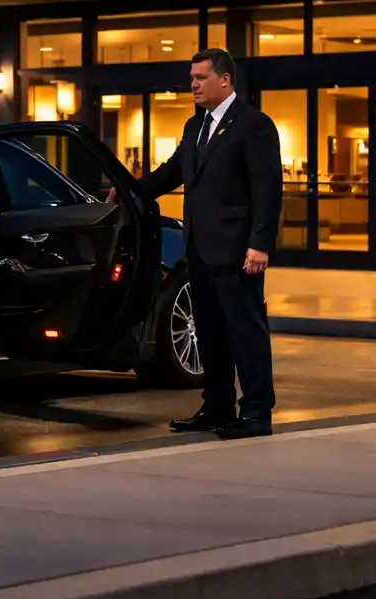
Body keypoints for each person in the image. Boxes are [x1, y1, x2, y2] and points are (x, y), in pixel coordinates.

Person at [115, 48, 283, 439]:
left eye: (201, 77)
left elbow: (267, 189)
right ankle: (217, 406)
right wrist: (129, 190)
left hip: (237, 251)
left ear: (225, 80)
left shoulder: (253, 125)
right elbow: (172, 172)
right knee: (209, 332)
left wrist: (259, 244)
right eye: (192, 77)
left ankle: (257, 413)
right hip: (199, 250)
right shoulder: (195, 126)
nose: (193, 84)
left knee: (245, 332)